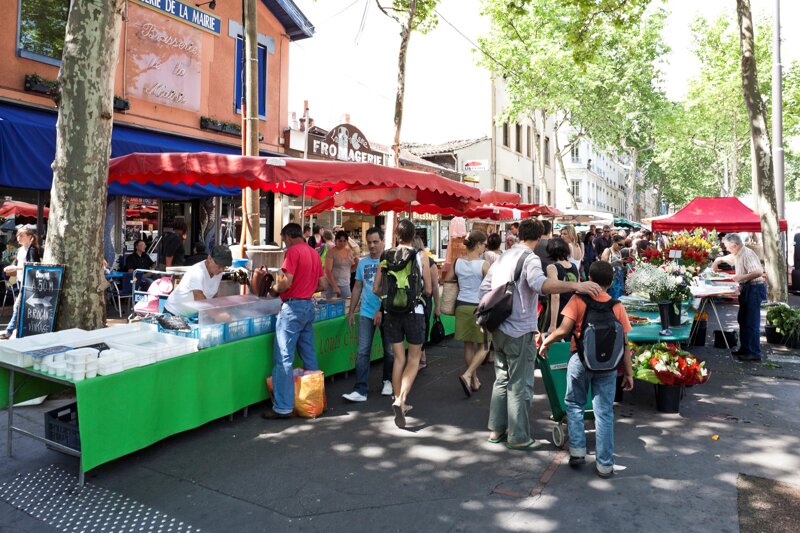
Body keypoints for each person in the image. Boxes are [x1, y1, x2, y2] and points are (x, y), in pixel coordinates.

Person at [480, 219, 600, 450]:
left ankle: (496, 430)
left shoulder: (504, 256)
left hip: (499, 327)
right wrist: (576, 286)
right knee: (521, 384)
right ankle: (518, 436)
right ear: (539, 239)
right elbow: (540, 284)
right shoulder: (530, 258)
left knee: (502, 379)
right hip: (519, 329)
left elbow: (484, 288)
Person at [539, 260, 634, 478]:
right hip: (608, 367)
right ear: (611, 283)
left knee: (574, 404)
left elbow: (564, 331)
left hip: (579, 361)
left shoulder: (578, 299)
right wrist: (628, 372)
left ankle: (578, 451)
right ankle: (605, 464)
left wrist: (547, 342)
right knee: (604, 412)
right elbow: (625, 344)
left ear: (589, 279)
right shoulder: (617, 306)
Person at [263, 223, 327, 419]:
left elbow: (287, 282)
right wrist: (306, 287)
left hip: (292, 308)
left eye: (283, 239)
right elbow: (323, 284)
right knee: (309, 354)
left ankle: (283, 407)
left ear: (289, 236)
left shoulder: (292, 252)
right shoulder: (314, 253)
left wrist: (275, 288)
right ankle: (314, 401)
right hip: (308, 306)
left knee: (283, 358)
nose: (284, 243)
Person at [373, 219, 431, 428]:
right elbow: (429, 289)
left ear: (397, 235)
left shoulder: (385, 256)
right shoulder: (420, 256)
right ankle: (401, 400)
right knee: (414, 359)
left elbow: (376, 288)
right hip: (414, 311)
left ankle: (398, 399)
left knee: (399, 358)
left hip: (391, 312)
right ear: (415, 235)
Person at [343, 228, 394, 402]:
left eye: (375, 242)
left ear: (382, 242)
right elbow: (357, 287)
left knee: (389, 351)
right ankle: (360, 390)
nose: (372, 246)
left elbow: (390, 289)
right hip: (365, 312)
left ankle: (388, 380)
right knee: (363, 351)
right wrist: (351, 311)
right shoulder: (363, 264)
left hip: (387, 312)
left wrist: (381, 309)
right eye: (369, 242)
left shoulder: (389, 262)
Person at [444, 230, 489, 394]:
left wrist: (463, 280)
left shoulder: (458, 262)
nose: (485, 248)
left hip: (461, 305)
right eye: (484, 244)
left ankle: (474, 380)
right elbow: (491, 285)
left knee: (468, 345)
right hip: (479, 308)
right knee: (485, 345)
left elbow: (447, 279)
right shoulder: (484, 265)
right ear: (478, 245)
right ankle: (468, 374)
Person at [711, 233, 766, 362]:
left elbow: (758, 271)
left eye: (727, 247)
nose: (726, 249)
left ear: (735, 246)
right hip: (749, 288)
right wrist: (717, 260)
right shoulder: (738, 253)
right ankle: (745, 348)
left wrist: (741, 277)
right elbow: (728, 258)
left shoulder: (747, 253)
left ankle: (753, 352)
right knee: (743, 320)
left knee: (751, 322)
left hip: (754, 288)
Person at [164, 245, 232, 317]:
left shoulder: (218, 273)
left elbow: (214, 295)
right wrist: (218, 315)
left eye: (224, 267)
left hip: (191, 315)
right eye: (219, 266)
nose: (222, 270)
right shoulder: (197, 271)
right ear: (209, 259)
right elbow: (198, 297)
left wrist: (220, 309)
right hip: (173, 313)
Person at [1, 227, 41, 340]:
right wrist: (11, 269)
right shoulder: (20, 250)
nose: (18, 238)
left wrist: (15, 267)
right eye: (18, 235)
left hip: (29, 282)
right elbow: (19, 265)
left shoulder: (33, 249)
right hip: (20, 281)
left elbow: (33, 265)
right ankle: (22, 331)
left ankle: (9, 331)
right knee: (22, 306)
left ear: (30, 237)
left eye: (22, 235)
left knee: (17, 306)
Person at [413, 236, 440, 370]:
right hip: (419, 302)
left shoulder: (429, 262)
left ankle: (421, 358)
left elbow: (434, 287)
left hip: (423, 302)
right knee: (419, 329)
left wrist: (437, 307)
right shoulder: (424, 261)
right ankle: (420, 357)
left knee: (422, 329)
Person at [546, 237, 579, 338]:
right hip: (572, 312)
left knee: (557, 348)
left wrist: (552, 325)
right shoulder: (574, 266)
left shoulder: (552, 267)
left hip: (559, 312)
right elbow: (578, 290)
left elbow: (555, 296)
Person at [325, 230, 357, 299]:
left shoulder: (349, 252)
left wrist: (357, 264)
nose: (342, 243)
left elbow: (351, 270)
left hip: (346, 284)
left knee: (346, 306)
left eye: (344, 241)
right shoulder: (331, 252)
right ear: (336, 240)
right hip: (332, 285)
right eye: (340, 241)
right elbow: (328, 270)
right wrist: (334, 286)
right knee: (332, 306)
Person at [601, 234, 626, 299]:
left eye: (623, 245)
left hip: (619, 279)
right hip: (611, 280)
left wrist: (624, 266)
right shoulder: (608, 250)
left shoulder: (619, 252)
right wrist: (616, 262)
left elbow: (621, 266)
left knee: (619, 299)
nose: (621, 247)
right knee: (610, 298)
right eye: (619, 244)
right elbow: (603, 265)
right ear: (614, 242)